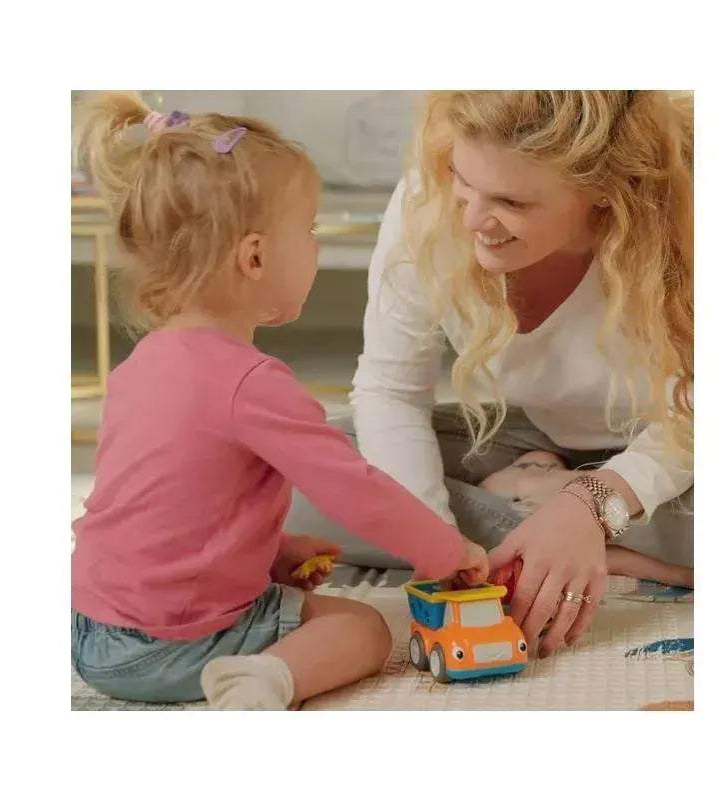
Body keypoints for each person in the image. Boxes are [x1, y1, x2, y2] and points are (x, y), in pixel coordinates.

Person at [70, 93, 488, 710]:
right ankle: (262, 682)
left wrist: (270, 551)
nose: (315, 245)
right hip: (168, 643)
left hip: (89, 630)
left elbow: (163, 504)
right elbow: (357, 490)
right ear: (256, 257)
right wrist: (448, 551)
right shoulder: (253, 382)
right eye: (310, 230)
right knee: (364, 628)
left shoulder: (143, 363)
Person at [285, 90, 694, 659]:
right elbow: (390, 391)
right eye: (463, 179)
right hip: (530, 437)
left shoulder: (690, 213)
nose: (472, 219)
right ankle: (577, 535)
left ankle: (560, 520)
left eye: (511, 201)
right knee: (282, 480)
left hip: (677, 455)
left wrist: (590, 503)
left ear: (604, 190)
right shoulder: (429, 200)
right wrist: (433, 542)